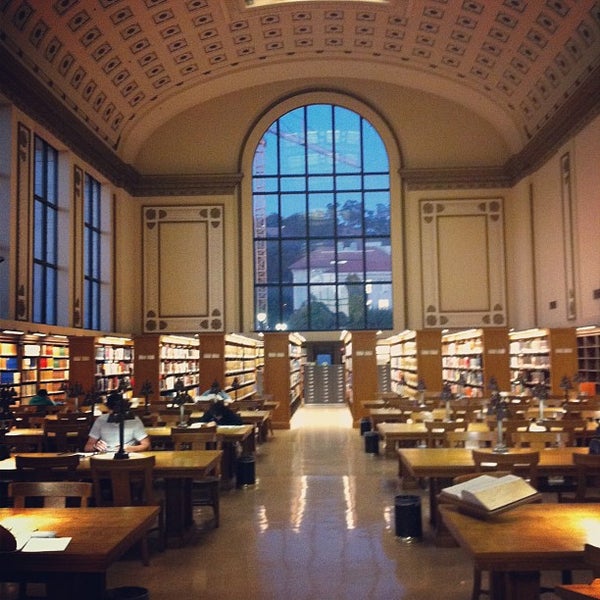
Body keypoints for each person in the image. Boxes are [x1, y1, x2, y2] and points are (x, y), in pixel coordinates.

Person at [84, 391, 150, 453]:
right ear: (108, 409)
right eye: (113, 411)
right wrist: (95, 446)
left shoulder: (133, 420)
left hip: (128, 457)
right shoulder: (101, 420)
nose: (116, 415)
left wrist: (131, 448)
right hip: (105, 457)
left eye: (118, 411)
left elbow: (146, 445)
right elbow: (87, 447)